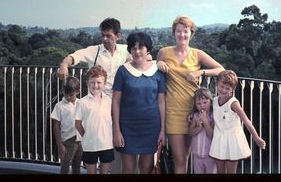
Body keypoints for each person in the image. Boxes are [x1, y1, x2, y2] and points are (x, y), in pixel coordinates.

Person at [157, 15, 225, 174]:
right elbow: (154, 73)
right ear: (174, 33)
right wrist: (157, 63)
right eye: (179, 31)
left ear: (191, 33)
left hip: (194, 112)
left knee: (188, 157)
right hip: (173, 112)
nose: (182, 35)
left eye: (186, 31)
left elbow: (220, 69)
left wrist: (200, 72)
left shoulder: (197, 54)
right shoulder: (164, 52)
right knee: (179, 159)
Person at [112, 32, 166, 174]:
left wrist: (162, 130)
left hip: (151, 127)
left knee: (146, 168)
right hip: (127, 127)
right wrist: (117, 131)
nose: (137, 51)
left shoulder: (158, 71)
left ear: (148, 49)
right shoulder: (123, 71)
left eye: (141, 47)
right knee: (128, 169)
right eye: (133, 48)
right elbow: (116, 102)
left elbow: (161, 102)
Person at [57, 17, 130, 99]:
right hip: (97, 102)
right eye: (103, 35)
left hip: (119, 101)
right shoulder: (94, 51)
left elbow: (145, 55)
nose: (104, 39)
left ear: (118, 36)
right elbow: (75, 56)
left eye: (108, 36)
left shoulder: (126, 50)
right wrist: (64, 64)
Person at [209, 70, 266, 174]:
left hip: (232, 141)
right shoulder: (214, 101)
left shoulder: (233, 103)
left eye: (227, 88)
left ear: (232, 89)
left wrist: (256, 137)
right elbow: (204, 111)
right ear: (216, 84)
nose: (223, 90)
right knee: (220, 171)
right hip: (219, 139)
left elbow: (246, 120)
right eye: (222, 86)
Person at [75, 65, 114, 174]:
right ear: (87, 83)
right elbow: (77, 123)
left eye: (99, 82)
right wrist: (86, 135)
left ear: (104, 83)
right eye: (92, 82)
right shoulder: (82, 102)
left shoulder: (109, 101)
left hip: (107, 144)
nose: (95, 85)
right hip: (90, 146)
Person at [50, 76, 83, 174]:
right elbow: (56, 126)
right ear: (63, 91)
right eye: (65, 94)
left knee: (77, 167)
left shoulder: (81, 103)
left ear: (77, 91)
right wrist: (60, 144)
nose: (68, 97)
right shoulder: (59, 106)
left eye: (71, 95)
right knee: (65, 167)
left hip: (80, 140)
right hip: (67, 141)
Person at [188, 87, 216, 174]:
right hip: (197, 155)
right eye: (199, 103)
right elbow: (191, 132)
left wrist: (205, 121)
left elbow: (211, 135)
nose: (202, 105)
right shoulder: (195, 116)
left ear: (210, 101)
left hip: (210, 155)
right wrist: (198, 127)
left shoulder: (213, 116)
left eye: (205, 102)